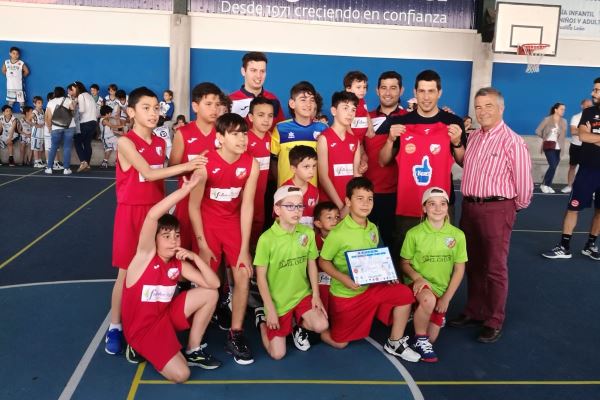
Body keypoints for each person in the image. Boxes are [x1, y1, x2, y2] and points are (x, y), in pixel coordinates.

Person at [104, 87, 205, 356]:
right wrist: (186, 165)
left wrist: (185, 180)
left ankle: (151, 320)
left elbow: (160, 176)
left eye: (156, 108)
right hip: (131, 214)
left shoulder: (160, 142)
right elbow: (148, 174)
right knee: (125, 273)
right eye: (146, 108)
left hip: (156, 212)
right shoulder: (126, 142)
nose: (153, 113)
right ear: (131, 112)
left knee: (158, 268)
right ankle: (115, 326)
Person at [121, 168, 222, 382]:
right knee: (182, 374)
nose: (174, 240)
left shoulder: (178, 263)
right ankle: (136, 347)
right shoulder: (144, 257)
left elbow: (214, 284)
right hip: (142, 330)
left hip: (164, 318)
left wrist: (195, 257)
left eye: (176, 235)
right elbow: (152, 216)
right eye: (166, 236)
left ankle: (193, 348)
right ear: (154, 240)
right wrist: (184, 191)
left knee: (210, 294)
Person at [451, 87, 533, 343]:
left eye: (488, 106)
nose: (482, 111)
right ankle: (474, 310)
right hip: (470, 207)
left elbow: (525, 186)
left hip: (497, 209)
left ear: (500, 108)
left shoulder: (513, 141)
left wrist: (509, 208)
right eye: (478, 107)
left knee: (495, 268)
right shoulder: (474, 137)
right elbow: (468, 164)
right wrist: (456, 144)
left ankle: (494, 319)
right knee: (472, 263)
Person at [317, 177, 420, 362]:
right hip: (346, 295)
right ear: (348, 201)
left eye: (370, 198)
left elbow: (377, 257)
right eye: (360, 198)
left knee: (404, 294)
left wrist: (386, 275)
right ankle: (314, 329)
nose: (366, 203)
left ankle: (395, 342)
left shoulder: (372, 228)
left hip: (371, 288)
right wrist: (345, 279)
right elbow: (323, 262)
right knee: (340, 343)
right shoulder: (338, 234)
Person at [188, 113, 259, 365]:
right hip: (207, 225)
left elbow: (247, 205)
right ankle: (196, 336)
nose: (242, 138)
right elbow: (193, 207)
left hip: (232, 224)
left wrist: (244, 249)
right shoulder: (205, 164)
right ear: (220, 138)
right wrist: (202, 244)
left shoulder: (252, 164)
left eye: (244, 133)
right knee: (209, 281)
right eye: (235, 134)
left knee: (242, 273)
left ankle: (236, 334)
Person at [378, 69, 466, 261]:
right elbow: (383, 161)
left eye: (431, 91)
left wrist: (457, 142)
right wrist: (391, 139)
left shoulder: (452, 123)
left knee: (441, 256)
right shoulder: (401, 124)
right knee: (405, 257)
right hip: (407, 204)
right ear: (415, 92)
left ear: (439, 92)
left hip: (441, 203)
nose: (426, 97)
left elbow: (463, 162)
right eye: (422, 91)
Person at [254, 185, 329, 359]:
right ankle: (262, 322)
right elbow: (261, 278)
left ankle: (298, 326)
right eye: (290, 206)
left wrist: (316, 295)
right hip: (278, 302)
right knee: (277, 354)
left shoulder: (307, 233)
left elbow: (312, 264)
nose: (296, 211)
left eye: (299, 206)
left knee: (321, 325)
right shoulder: (266, 239)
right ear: (277, 209)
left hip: (302, 295)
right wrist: (270, 309)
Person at [400, 187, 467, 362]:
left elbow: (459, 269)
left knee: (433, 339)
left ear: (447, 207)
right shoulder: (414, 234)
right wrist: (417, 278)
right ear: (424, 208)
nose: (438, 209)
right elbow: (404, 263)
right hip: (418, 283)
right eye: (432, 204)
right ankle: (420, 336)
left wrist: (446, 299)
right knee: (428, 301)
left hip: (441, 288)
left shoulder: (457, 236)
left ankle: (421, 317)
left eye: (442, 204)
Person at [542, 78, 600, 261]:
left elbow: (589, 136)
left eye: (598, 90)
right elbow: (582, 135)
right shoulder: (589, 112)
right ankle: (564, 246)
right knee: (573, 207)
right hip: (588, 169)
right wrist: (589, 135)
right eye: (594, 89)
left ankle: (590, 245)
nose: (593, 93)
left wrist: (595, 136)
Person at [169, 82, 221, 252]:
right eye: (208, 104)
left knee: (210, 250)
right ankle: (182, 280)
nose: (214, 109)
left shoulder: (223, 134)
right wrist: (191, 165)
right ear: (195, 106)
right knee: (183, 248)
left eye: (217, 104)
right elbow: (172, 167)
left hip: (214, 203)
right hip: (186, 201)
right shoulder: (183, 133)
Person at [365, 71, 406, 247]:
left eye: (393, 88)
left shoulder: (409, 118)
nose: (388, 92)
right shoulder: (365, 118)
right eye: (383, 87)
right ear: (377, 90)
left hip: (397, 195)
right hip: (367, 194)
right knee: (365, 247)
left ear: (401, 90)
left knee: (396, 247)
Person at [271, 81, 328, 186]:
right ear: (292, 103)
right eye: (303, 100)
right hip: (286, 194)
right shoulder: (280, 129)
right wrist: (280, 185)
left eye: (312, 100)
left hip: (313, 194)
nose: (308, 104)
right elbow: (273, 161)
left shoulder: (323, 129)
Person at [317, 91, 362, 215]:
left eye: (353, 110)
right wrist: (341, 206)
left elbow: (356, 176)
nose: (350, 113)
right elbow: (323, 177)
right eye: (345, 108)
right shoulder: (324, 138)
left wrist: (350, 205)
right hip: (330, 206)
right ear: (334, 111)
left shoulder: (355, 141)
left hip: (350, 206)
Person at [229, 51, 285, 128]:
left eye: (262, 71)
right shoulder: (230, 100)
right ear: (243, 71)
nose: (258, 76)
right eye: (253, 70)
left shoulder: (273, 99)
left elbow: (280, 131)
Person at [246, 97, 274, 246]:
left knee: (258, 227)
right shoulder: (244, 139)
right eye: (261, 115)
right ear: (251, 117)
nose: (266, 120)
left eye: (270, 116)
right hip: (244, 197)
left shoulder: (271, 138)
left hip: (261, 197)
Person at [282, 145, 319, 227]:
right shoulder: (284, 190)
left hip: (309, 238)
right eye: (306, 167)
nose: (311, 171)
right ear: (293, 169)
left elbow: (316, 219)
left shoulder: (315, 191)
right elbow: (279, 219)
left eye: (314, 166)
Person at [313, 200, 340, 312]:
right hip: (320, 277)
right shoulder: (313, 241)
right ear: (318, 223)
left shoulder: (342, 239)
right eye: (329, 217)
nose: (335, 220)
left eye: (337, 217)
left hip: (338, 275)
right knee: (323, 289)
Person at [44, 86, 77, 175]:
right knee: (67, 147)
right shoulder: (68, 100)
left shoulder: (50, 102)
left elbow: (48, 117)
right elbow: (73, 110)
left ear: (55, 93)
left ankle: (49, 168)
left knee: (53, 147)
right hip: (69, 126)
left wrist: (50, 127)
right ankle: (66, 169)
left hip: (56, 127)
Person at [563, 99, 593, 194]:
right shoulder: (576, 117)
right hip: (576, 146)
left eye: (590, 106)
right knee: (572, 166)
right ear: (582, 106)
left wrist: (581, 131)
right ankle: (569, 186)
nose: (589, 107)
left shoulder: (594, 118)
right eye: (587, 106)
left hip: (589, 147)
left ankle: (589, 188)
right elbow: (573, 132)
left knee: (588, 168)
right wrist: (587, 131)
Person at [536, 102, 567, 194]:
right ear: (556, 110)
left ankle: (547, 185)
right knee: (553, 165)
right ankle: (544, 185)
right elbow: (537, 131)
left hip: (559, 147)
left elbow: (563, 135)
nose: (563, 111)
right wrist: (546, 137)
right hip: (549, 145)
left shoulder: (564, 121)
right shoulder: (547, 119)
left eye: (564, 109)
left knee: (554, 167)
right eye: (561, 109)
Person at [71, 82, 98, 172]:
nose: (72, 91)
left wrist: (75, 109)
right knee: (87, 143)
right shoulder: (89, 96)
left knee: (77, 142)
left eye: (73, 89)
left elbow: (82, 110)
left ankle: (83, 162)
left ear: (77, 88)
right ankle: (87, 164)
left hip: (85, 123)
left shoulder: (81, 96)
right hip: (93, 123)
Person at [343, 71, 375, 142]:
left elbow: (366, 114)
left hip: (362, 138)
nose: (362, 90)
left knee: (363, 153)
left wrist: (370, 128)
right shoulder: (346, 103)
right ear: (348, 89)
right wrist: (351, 136)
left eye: (364, 87)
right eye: (358, 87)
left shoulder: (362, 100)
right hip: (350, 138)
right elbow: (345, 122)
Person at [31, 96, 46, 168]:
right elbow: (28, 120)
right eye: (39, 103)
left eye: (41, 103)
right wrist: (35, 125)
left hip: (42, 131)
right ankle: (36, 161)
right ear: (34, 104)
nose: (41, 104)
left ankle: (39, 160)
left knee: (40, 147)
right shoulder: (34, 112)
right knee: (36, 147)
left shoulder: (42, 110)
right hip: (36, 132)